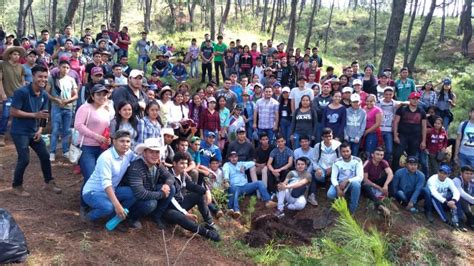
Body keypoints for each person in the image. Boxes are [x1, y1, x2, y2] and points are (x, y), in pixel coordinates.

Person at [9, 65, 61, 197]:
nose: (43, 79)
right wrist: (34, 115)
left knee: (45, 155)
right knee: (24, 159)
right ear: (33, 77)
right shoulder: (22, 92)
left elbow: (43, 115)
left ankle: (49, 182)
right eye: (40, 76)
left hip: (34, 132)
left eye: (45, 77)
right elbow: (13, 111)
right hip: (20, 132)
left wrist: (40, 130)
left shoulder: (43, 93)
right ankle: (17, 186)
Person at [81, 130, 136, 224]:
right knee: (108, 207)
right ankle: (88, 218)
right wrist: (117, 205)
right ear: (114, 141)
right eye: (122, 141)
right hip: (93, 192)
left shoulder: (128, 153)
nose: (125, 144)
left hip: (112, 190)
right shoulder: (106, 157)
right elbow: (106, 184)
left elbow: (139, 159)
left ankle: (114, 218)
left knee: (134, 193)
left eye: (128, 141)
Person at [163, 152, 220, 241]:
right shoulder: (168, 176)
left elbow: (192, 185)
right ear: (174, 163)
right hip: (168, 209)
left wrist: (206, 191)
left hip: (180, 204)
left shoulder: (182, 174)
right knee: (179, 216)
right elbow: (171, 199)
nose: (184, 166)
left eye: (186, 163)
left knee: (199, 195)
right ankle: (206, 233)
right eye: (181, 163)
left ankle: (210, 223)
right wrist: (185, 213)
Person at [120, 138, 174, 229]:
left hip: (148, 191)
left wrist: (166, 185)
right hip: (133, 198)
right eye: (151, 152)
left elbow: (170, 177)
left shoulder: (157, 164)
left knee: (171, 188)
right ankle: (131, 218)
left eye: (157, 152)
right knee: (150, 204)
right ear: (144, 153)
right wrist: (162, 194)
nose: (155, 155)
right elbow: (140, 194)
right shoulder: (136, 167)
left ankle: (156, 216)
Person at [75, 84, 113, 209]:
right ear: (92, 95)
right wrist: (96, 136)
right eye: (99, 94)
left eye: (104, 94)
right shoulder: (85, 108)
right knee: (90, 176)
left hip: (102, 149)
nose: (102, 97)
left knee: (100, 177)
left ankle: (95, 201)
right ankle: (84, 205)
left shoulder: (106, 109)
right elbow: (79, 125)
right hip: (87, 147)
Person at [224, 151, 277, 219]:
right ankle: (236, 210)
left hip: (245, 186)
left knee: (259, 183)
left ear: (237, 158)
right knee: (234, 189)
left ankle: (268, 201)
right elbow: (226, 172)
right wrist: (226, 181)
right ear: (229, 158)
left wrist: (244, 166)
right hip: (235, 186)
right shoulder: (227, 165)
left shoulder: (241, 163)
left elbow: (252, 163)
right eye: (232, 157)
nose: (234, 159)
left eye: (235, 157)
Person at [46, 60, 78, 161]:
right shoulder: (52, 78)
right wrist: (56, 99)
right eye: (63, 67)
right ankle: (52, 152)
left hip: (68, 108)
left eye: (67, 68)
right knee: (55, 130)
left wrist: (68, 100)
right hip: (56, 107)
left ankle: (65, 151)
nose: (65, 69)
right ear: (59, 67)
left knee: (66, 130)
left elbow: (76, 95)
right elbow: (46, 93)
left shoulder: (71, 79)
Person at [393, 92, 427, 171]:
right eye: (413, 99)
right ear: (409, 99)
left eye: (417, 99)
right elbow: (396, 122)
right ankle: (395, 172)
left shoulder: (421, 111)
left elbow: (424, 127)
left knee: (412, 157)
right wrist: (395, 135)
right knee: (397, 154)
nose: (415, 101)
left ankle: (410, 172)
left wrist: (423, 141)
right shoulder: (402, 109)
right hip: (402, 136)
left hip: (415, 137)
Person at [392, 156, 433, 221]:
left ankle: (428, 211)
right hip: (402, 195)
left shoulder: (421, 175)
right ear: (406, 165)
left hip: (414, 195)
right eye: (411, 164)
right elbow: (394, 187)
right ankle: (411, 206)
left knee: (426, 190)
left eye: (415, 165)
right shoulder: (399, 172)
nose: (413, 167)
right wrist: (394, 197)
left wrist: (412, 201)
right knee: (399, 193)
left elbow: (418, 189)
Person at [326, 143, 363, 213]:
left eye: (347, 151)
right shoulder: (337, 162)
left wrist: (347, 180)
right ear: (340, 152)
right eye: (343, 151)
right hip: (340, 183)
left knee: (356, 185)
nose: (346, 153)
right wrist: (338, 188)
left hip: (352, 183)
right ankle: (339, 200)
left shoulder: (357, 160)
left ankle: (352, 210)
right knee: (330, 194)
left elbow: (360, 177)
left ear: (351, 151)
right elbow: (333, 177)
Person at [0, 46, 26, 147]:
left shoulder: (21, 67)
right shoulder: (3, 65)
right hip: (8, 94)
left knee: (19, 115)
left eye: (18, 54)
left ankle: (17, 136)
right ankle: (1, 136)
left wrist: (24, 93)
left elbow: (22, 82)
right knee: (6, 115)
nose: (17, 56)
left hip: (19, 95)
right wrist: (2, 93)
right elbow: (0, 80)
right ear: (10, 55)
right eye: (15, 54)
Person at [427, 165, 463, 229]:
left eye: (445, 173)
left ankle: (458, 220)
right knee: (434, 198)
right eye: (441, 172)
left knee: (456, 197)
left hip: (445, 202)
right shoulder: (432, 179)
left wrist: (453, 201)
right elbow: (434, 193)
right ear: (438, 172)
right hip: (433, 202)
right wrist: (446, 202)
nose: (442, 175)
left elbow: (456, 191)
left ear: (448, 175)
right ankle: (445, 219)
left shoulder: (449, 181)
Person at [361, 147, 393, 217]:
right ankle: (380, 205)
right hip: (368, 183)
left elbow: (390, 173)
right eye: (377, 154)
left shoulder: (383, 162)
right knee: (365, 186)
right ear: (372, 155)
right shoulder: (368, 163)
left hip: (376, 181)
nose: (379, 156)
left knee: (389, 179)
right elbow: (365, 179)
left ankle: (388, 196)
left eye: (381, 155)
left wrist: (386, 185)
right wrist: (378, 187)